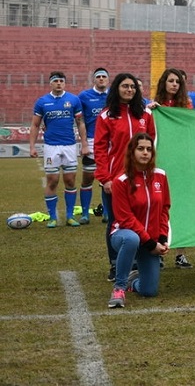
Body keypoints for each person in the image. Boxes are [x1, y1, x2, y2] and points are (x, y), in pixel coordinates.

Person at [95, 73, 156, 281]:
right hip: (115, 180)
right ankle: (115, 265)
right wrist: (105, 178)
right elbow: (100, 149)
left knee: (141, 219)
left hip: (141, 179)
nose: (129, 90)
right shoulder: (106, 116)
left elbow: (152, 143)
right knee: (116, 222)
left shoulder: (146, 113)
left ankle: (139, 263)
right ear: (117, 88)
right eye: (125, 86)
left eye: (132, 87)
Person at [108, 133, 171, 308]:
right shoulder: (121, 181)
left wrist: (162, 239)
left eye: (149, 149)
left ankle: (133, 282)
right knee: (131, 239)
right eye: (140, 148)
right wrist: (150, 243)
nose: (145, 153)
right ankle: (119, 288)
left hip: (150, 240)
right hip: (124, 235)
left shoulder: (161, 176)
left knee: (149, 291)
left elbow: (164, 209)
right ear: (132, 152)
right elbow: (125, 218)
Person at [29, 71, 89, 227]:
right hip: (51, 146)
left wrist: (84, 144)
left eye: (61, 81)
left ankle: (70, 216)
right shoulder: (42, 102)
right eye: (56, 81)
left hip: (69, 145)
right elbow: (35, 125)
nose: (59, 83)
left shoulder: (73, 100)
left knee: (70, 180)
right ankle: (52, 217)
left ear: (64, 83)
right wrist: (32, 146)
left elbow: (80, 123)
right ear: (50, 83)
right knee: (52, 181)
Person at [150, 68, 193, 269]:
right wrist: (151, 111)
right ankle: (158, 251)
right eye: (171, 81)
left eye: (177, 82)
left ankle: (180, 254)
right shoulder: (155, 106)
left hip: (182, 162)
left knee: (182, 206)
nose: (174, 84)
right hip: (161, 163)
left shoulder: (186, 106)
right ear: (164, 83)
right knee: (159, 207)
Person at [77, 67, 110, 224]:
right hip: (91, 140)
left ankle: (107, 213)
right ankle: (85, 214)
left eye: (104, 76)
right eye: (99, 76)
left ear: (108, 79)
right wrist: (83, 143)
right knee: (88, 178)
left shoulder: (114, 95)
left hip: (110, 142)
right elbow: (80, 120)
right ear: (94, 79)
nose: (101, 79)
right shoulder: (84, 96)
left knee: (107, 179)